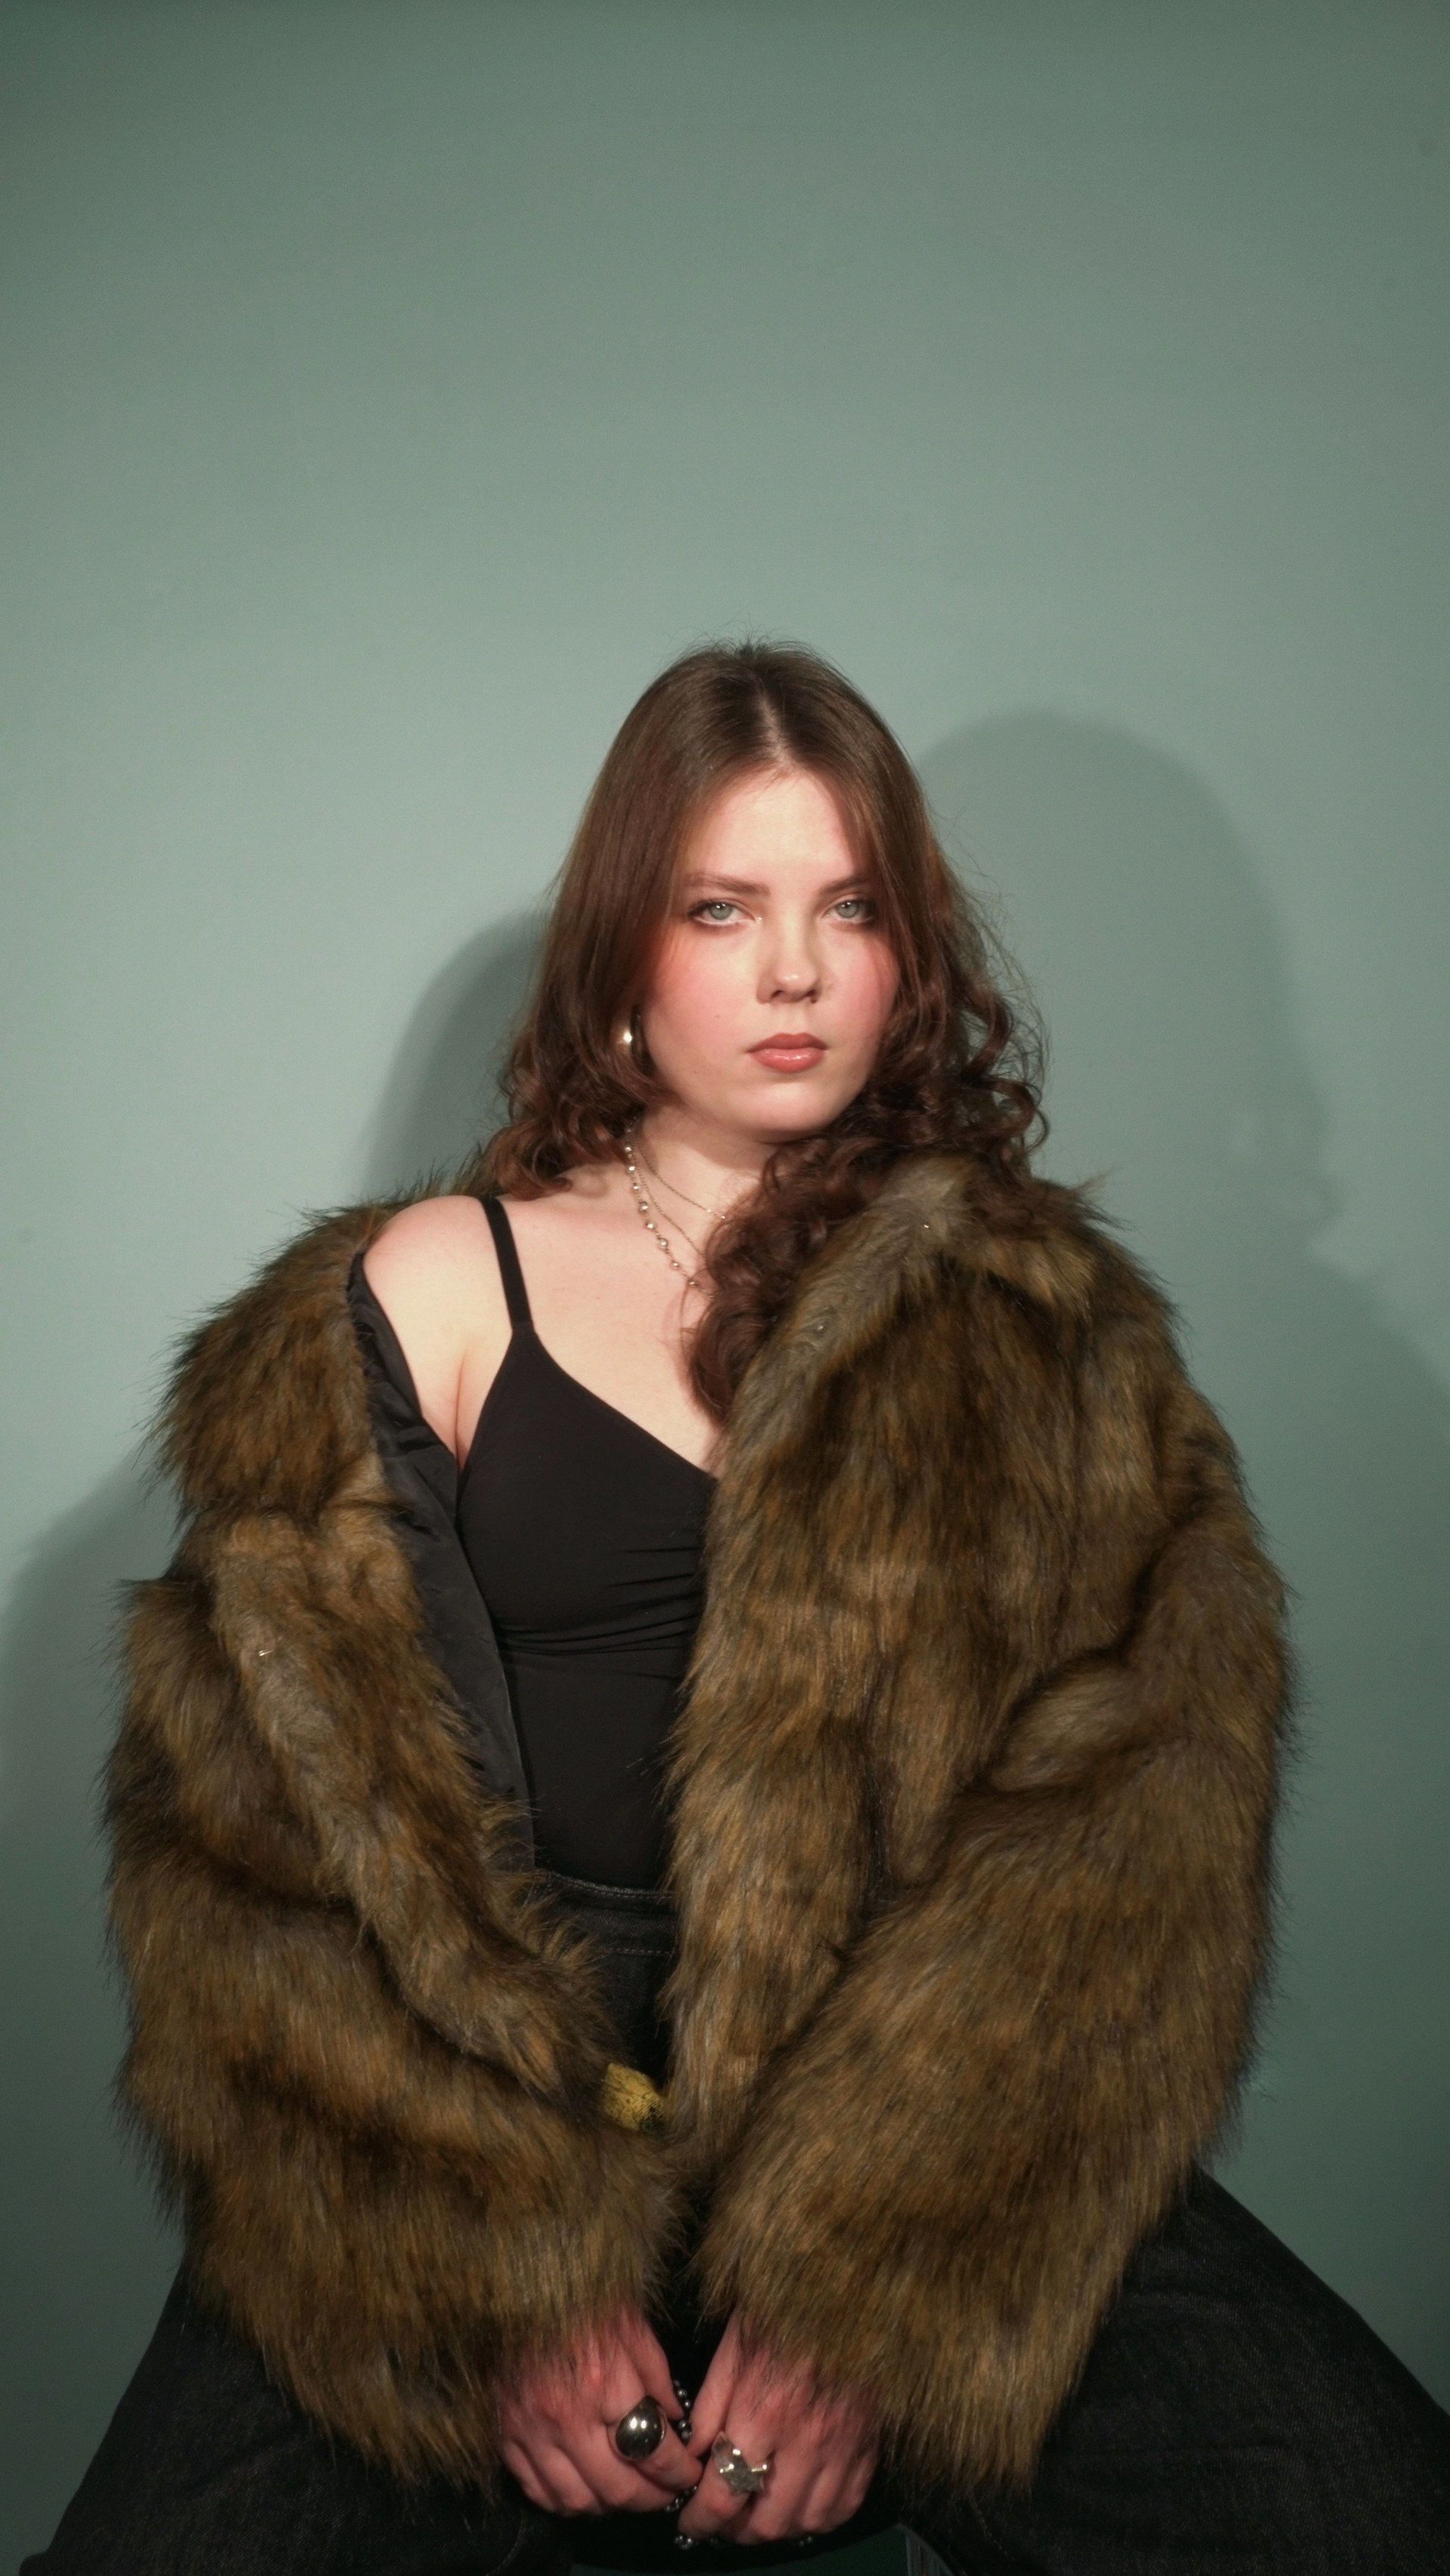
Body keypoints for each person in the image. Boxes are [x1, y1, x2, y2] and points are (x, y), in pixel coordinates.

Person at [28, 644, 1450, 2576]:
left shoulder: (1042, 1325)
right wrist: (498, 2269)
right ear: (625, 949)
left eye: (848, 908)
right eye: (723, 908)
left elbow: (1139, 1827)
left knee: (1364, 2511)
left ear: (908, 954)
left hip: (911, 2086)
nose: (794, 971)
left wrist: (878, 2273)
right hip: (487, 2103)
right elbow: (265, 1838)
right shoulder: (438, 1281)